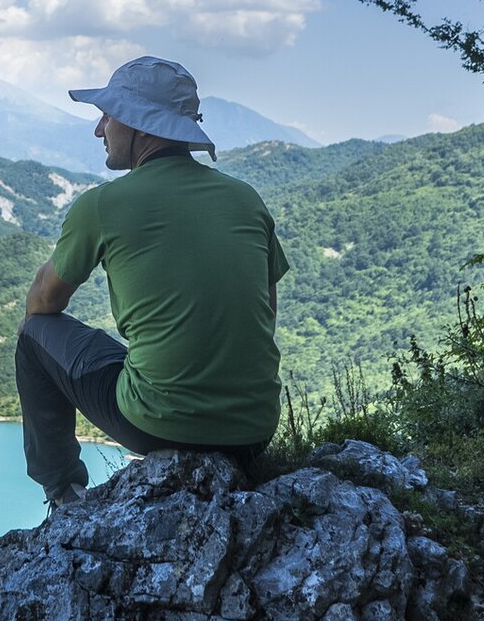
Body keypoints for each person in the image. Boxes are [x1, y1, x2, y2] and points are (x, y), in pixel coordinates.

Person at [16, 55, 287, 508]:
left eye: (107, 116)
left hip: (157, 424)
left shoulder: (103, 205)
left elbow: (43, 304)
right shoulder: (246, 199)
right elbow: (266, 313)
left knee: (32, 336)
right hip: (255, 429)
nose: (99, 130)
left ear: (140, 124)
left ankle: (63, 492)